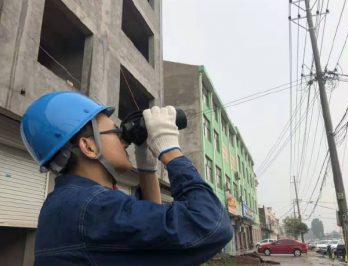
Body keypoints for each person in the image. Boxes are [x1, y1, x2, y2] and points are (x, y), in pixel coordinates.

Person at [20, 91, 233, 266]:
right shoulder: (93, 208)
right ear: (89, 146)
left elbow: (152, 239)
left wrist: (147, 169)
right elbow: (212, 225)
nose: (124, 142)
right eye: (115, 132)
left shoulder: (66, 204)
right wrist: (171, 151)